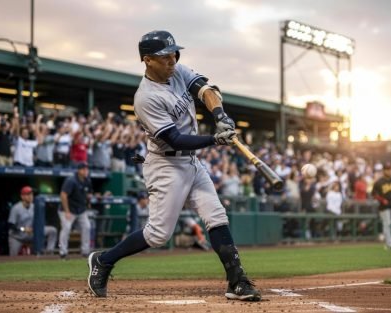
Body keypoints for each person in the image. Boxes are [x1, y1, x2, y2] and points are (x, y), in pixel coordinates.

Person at [87, 30, 261, 301]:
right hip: (166, 165)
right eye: (164, 57)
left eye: (174, 55)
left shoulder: (176, 70)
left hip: (191, 162)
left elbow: (205, 90)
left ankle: (237, 281)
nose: (172, 61)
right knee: (157, 234)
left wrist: (220, 115)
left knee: (216, 216)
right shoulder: (145, 98)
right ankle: (104, 260)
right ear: (147, 60)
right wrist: (215, 139)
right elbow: (175, 139)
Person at [8, 186, 57, 256]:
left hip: (31, 234)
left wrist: (36, 228)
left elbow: (40, 221)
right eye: (28, 194)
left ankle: (49, 252)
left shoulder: (35, 207)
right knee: (13, 257)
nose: (31, 196)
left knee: (52, 230)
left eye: (31, 194)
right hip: (17, 237)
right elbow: (11, 225)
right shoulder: (16, 208)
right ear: (22, 196)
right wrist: (23, 229)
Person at [58, 162, 93, 259]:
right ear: (79, 170)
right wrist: (67, 211)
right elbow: (63, 195)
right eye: (83, 169)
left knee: (87, 226)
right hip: (68, 209)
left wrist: (89, 200)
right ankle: (63, 252)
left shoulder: (87, 180)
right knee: (66, 228)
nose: (86, 171)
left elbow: (88, 194)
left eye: (87, 169)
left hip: (80, 210)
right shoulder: (71, 180)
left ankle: (85, 251)